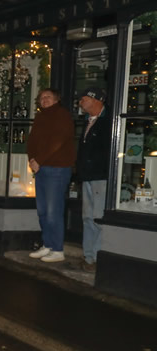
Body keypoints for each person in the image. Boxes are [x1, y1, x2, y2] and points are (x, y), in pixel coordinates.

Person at [26, 88, 76, 263]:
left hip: (57, 169)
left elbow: (58, 141)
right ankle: (47, 244)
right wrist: (32, 159)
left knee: (53, 210)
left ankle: (57, 249)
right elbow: (31, 141)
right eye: (41, 98)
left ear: (56, 100)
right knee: (42, 211)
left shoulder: (62, 115)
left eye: (48, 97)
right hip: (41, 168)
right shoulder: (40, 117)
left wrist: (38, 159)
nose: (44, 100)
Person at [76, 87, 111, 273]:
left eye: (83, 99)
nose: (80, 102)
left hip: (100, 177)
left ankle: (96, 257)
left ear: (96, 100)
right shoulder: (89, 121)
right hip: (88, 176)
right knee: (87, 217)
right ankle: (89, 257)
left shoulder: (108, 122)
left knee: (97, 217)